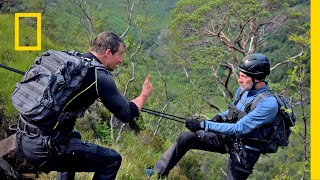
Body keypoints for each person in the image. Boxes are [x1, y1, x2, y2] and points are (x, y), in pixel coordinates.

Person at [15, 31, 153, 180]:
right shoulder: (99, 76)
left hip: (22, 137)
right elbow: (127, 114)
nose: (121, 60)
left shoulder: (74, 61)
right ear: (108, 53)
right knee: (112, 160)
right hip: (44, 149)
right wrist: (144, 95)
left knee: (75, 136)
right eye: (120, 54)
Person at [146, 53, 278, 179]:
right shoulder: (244, 90)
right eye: (240, 75)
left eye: (244, 76)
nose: (239, 80)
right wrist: (220, 116)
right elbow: (233, 110)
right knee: (185, 138)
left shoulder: (268, 103)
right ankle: (158, 173)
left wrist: (203, 125)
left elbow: (239, 128)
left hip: (246, 150)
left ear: (258, 78)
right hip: (229, 138)